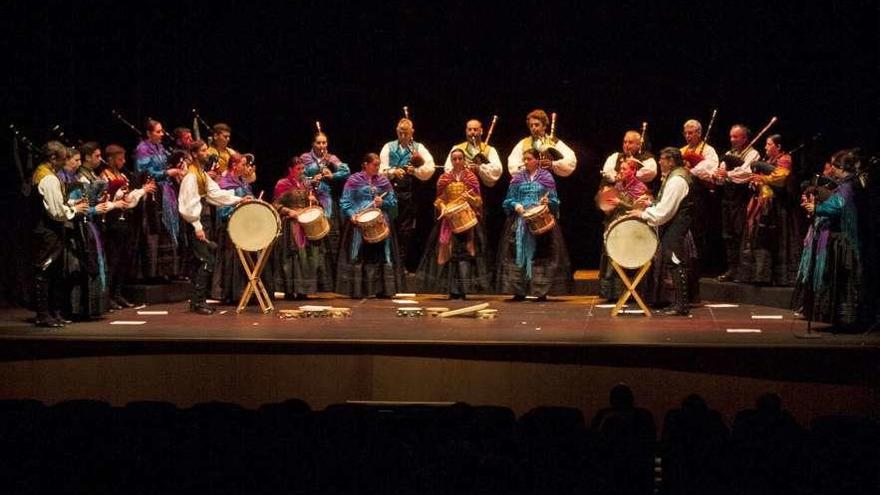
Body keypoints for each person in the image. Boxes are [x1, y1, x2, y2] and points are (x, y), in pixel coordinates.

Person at [793, 149, 862, 330]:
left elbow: (837, 206)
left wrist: (816, 207)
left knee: (840, 280)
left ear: (841, 168)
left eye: (835, 167)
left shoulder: (848, 186)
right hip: (837, 238)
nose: (833, 170)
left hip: (842, 241)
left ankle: (843, 320)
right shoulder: (843, 184)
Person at [178, 140, 247, 314]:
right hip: (196, 222)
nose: (207, 153)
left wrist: (239, 199)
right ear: (194, 154)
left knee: (201, 261)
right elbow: (188, 204)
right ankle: (198, 302)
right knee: (206, 261)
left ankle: (197, 301)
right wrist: (196, 226)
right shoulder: (191, 176)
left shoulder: (201, 174)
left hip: (202, 220)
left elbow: (215, 193)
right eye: (202, 151)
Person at [497, 149, 572, 301]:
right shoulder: (517, 178)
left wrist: (547, 202)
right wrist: (516, 205)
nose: (525, 162)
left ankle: (540, 291)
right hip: (520, 220)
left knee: (542, 254)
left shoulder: (546, 177)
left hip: (540, 220)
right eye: (524, 159)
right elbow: (508, 200)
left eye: (529, 159)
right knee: (516, 253)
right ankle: (519, 291)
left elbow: (554, 200)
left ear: (537, 160)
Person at [416, 149, 490, 299]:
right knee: (450, 255)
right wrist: (443, 208)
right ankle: (452, 290)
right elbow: (438, 200)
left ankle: (463, 289)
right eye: (454, 159)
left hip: (467, 222)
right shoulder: (444, 178)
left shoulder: (471, 178)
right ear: (451, 160)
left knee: (465, 255)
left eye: (460, 158)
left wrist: (469, 198)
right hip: (449, 221)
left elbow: (479, 201)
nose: (457, 161)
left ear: (464, 160)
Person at [630, 147, 695, 316]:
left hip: (676, 225)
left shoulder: (677, 180)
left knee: (675, 261)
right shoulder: (673, 177)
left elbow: (666, 211)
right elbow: (665, 204)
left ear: (671, 161)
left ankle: (682, 305)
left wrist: (644, 214)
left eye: (662, 159)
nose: (659, 161)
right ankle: (679, 304)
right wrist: (651, 204)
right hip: (673, 224)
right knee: (672, 261)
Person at [30, 142, 88, 327]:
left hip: (50, 230)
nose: (65, 161)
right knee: (45, 270)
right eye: (63, 157)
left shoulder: (46, 174)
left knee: (55, 272)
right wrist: (73, 209)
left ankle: (53, 312)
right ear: (53, 158)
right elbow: (56, 211)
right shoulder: (48, 178)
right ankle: (43, 314)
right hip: (48, 231)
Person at [336, 152, 405, 298]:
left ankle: (383, 290)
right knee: (360, 254)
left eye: (379, 165)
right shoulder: (353, 180)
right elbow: (344, 201)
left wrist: (383, 202)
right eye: (375, 165)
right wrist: (352, 214)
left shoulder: (384, 181)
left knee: (381, 255)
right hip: (359, 222)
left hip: (380, 221)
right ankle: (358, 290)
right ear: (365, 165)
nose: (378, 167)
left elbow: (393, 202)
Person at [738, 134, 802, 286]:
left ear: (778, 147)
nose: (765, 147)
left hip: (779, 207)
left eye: (768, 144)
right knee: (760, 240)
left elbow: (779, 179)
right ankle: (760, 276)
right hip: (764, 204)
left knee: (778, 241)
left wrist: (762, 178)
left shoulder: (785, 160)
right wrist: (755, 181)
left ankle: (781, 277)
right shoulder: (768, 161)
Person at [215, 154, 276, 304]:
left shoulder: (243, 182)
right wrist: (241, 205)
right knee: (233, 259)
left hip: (246, 226)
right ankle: (233, 293)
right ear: (234, 165)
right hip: (231, 227)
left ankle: (252, 292)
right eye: (243, 164)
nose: (247, 167)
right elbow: (222, 209)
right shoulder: (225, 183)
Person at [101, 144, 155, 308]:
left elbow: (129, 200)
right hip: (113, 220)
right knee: (114, 259)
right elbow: (112, 199)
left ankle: (118, 293)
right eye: (119, 159)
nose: (123, 161)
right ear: (110, 159)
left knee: (124, 259)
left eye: (124, 158)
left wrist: (140, 192)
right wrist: (141, 191)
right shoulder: (105, 176)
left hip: (126, 220)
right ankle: (108, 296)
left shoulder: (123, 175)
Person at [273, 156, 335, 300]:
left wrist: (314, 200)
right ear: (290, 169)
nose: (301, 171)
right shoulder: (282, 184)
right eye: (298, 169)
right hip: (292, 225)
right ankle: (290, 290)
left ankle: (303, 290)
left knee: (307, 257)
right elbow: (275, 204)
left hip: (305, 224)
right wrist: (289, 211)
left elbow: (312, 201)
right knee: (293, 257)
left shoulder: (306, 184)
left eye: (303, 168)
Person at [379, 118, 436, 272]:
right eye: (400, 132)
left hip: (410, 195)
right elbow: (379, 170)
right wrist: (392, 172)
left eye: (406, 132)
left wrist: (415, 171)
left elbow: (430, 169)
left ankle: (401, 264)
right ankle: (387, 264)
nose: (403, 135)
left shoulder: (418, 148)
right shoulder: (388, 147)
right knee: (389, 227)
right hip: (389, 194)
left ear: (412, 132)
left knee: (406, 230)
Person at [134, 118, 185, 282]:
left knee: (167, 231)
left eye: (162, 131)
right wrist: (167, 173)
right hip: (152, 193)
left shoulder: (160, 147)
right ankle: (152, 273)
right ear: (149, 133)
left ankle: (168, 270)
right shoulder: (142, 149)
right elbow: (145, 172)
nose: (162, 134)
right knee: (154, 230)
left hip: (166, 192)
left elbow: (169, 162)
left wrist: (178, 164)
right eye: (158, 131)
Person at [596, 158, 653, 300]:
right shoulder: (618, 185)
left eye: (624, 169)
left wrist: (620, 202)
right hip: (616, 226)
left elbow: (639, 208)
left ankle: (632, 294)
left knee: (628, 259)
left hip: (632, 228)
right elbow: (607, 205)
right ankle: (612, 294)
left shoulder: (640, 187)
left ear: (633, 171)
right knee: (612, 258)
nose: (621, 171)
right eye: (620, 169)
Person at [714, 125, 761, 282]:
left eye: (736, 137)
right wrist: (718, 176)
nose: (732, 140)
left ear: (745, 138)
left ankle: (743, 270)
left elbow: (746, 174)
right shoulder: (728, 154)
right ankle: (732, 268)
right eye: (731, 136)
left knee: (741, 233)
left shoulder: (753, 154)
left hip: (742, 198)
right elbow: (721, 176)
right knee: (728, 235)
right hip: (727, 198)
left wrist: (727, 173)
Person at [299, 130, 350, 262]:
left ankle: (329, 266)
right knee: (311, 231)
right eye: (319, 143)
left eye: (324, 142)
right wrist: (311, 180)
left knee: (328, 231)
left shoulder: (331, 158)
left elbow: (346, 171)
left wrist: (332, 175)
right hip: (309, 197)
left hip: (326, 200)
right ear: (313, 144)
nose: (322, 145)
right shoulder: (305, 158)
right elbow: (300, 177)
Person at [679, 119, 720, 278]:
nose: (688, 136)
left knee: (699, 232)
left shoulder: (708, 150)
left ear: (699, 133)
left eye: (691, 133)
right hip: (683, 195)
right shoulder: (681, 150)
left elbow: (711, 171)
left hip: (700, 196)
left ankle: (701, 268)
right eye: (686, 133)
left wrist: (693, 168)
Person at [507, 109, 576, 177]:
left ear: (544, 126)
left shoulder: (554, 142)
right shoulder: (523, 143)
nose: (533, 128)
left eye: (536, 125)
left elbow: (571, 161)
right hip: (528, 185)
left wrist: (552, 164)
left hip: (550, 183)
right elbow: (512, 165)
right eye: (531, 126)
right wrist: (529, 166)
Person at [443, 119, 503, 187]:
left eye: (475, 129)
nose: (472, 132)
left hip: (483, 190)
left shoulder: (490, 150)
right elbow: (447, 168)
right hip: (461, 189)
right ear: (466, 131)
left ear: (481, 131)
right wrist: (463, 169)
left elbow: (497, 170)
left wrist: (479, 169)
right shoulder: (457, 148)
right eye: (469, 129)